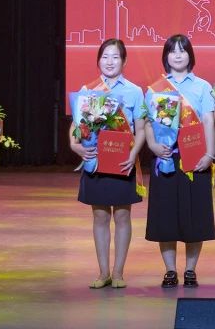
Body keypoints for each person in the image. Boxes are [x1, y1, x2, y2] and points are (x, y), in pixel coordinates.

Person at [69, 38, 147, 289]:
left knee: (123, 215)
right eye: (105, 57)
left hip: (122, 161)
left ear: (124, 61)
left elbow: (141, 129)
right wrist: (75, 145)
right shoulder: (88, 89)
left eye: (115, 57)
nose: (110, 62)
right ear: (98, 60)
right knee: (100, 216)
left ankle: (119, 272)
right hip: (96, 162)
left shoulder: (135, 91)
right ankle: (103, 273)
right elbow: (76, 126)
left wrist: (133, 154)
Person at [143, 35, 215, 288]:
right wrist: (153, 146)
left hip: (195, 158)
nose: (177, 55)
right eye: (172, 51)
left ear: (190, 55)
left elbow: (208, 120)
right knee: (166, 217)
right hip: (166, 158)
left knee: (195, 216)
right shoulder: (155, 88)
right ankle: (170, 270)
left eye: (182, 51)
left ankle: (190, 270)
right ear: (166, 56)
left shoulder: (203, 86)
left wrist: (209, 154)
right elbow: (148, 123)